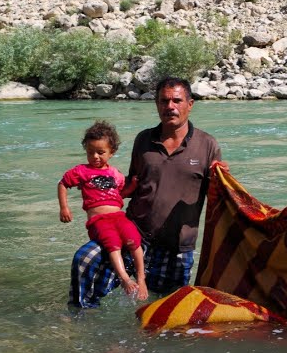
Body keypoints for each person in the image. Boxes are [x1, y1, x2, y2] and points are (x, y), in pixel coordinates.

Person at [68, 78, 221, 308]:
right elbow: (133, 183)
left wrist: (222, 179)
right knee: (85, 260)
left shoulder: (208, 145)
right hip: (134, 234)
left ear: (190, 104)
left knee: (168, 311)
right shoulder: (144, 139)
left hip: (177, 247)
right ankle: (78, 326)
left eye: (177, 100)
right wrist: (98, 184)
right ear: (157, 105)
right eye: (164, 100)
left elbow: (219, 200)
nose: (170, 106)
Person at [59, 120, 146, 301]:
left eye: (101, 152)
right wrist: (64, 207)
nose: (95, 157)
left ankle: (141, 278)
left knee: (134, 241)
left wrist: (134, 185)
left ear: (111, 152)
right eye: (91, 152)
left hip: (119, 216)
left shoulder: (115, 173)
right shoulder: (82, 171)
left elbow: (121, 194)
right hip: (99, 221)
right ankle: (124, 279)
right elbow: (63, 184)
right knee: (112, 244)